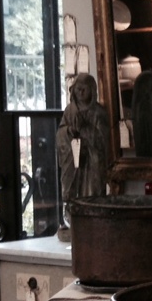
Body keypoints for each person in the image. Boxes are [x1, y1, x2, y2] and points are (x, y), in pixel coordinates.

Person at [56, 72, 110, 204]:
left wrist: (85, 128)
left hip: (92, 162)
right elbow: (60, 134)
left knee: (91, 197)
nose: (80, 92)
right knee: (73, 199)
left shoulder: (98, 112)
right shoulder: (69, 111)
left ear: (92, 90)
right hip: (72, 159)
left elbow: (103, 140)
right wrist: (69, 131)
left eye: (84, 89)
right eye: (78, 89)